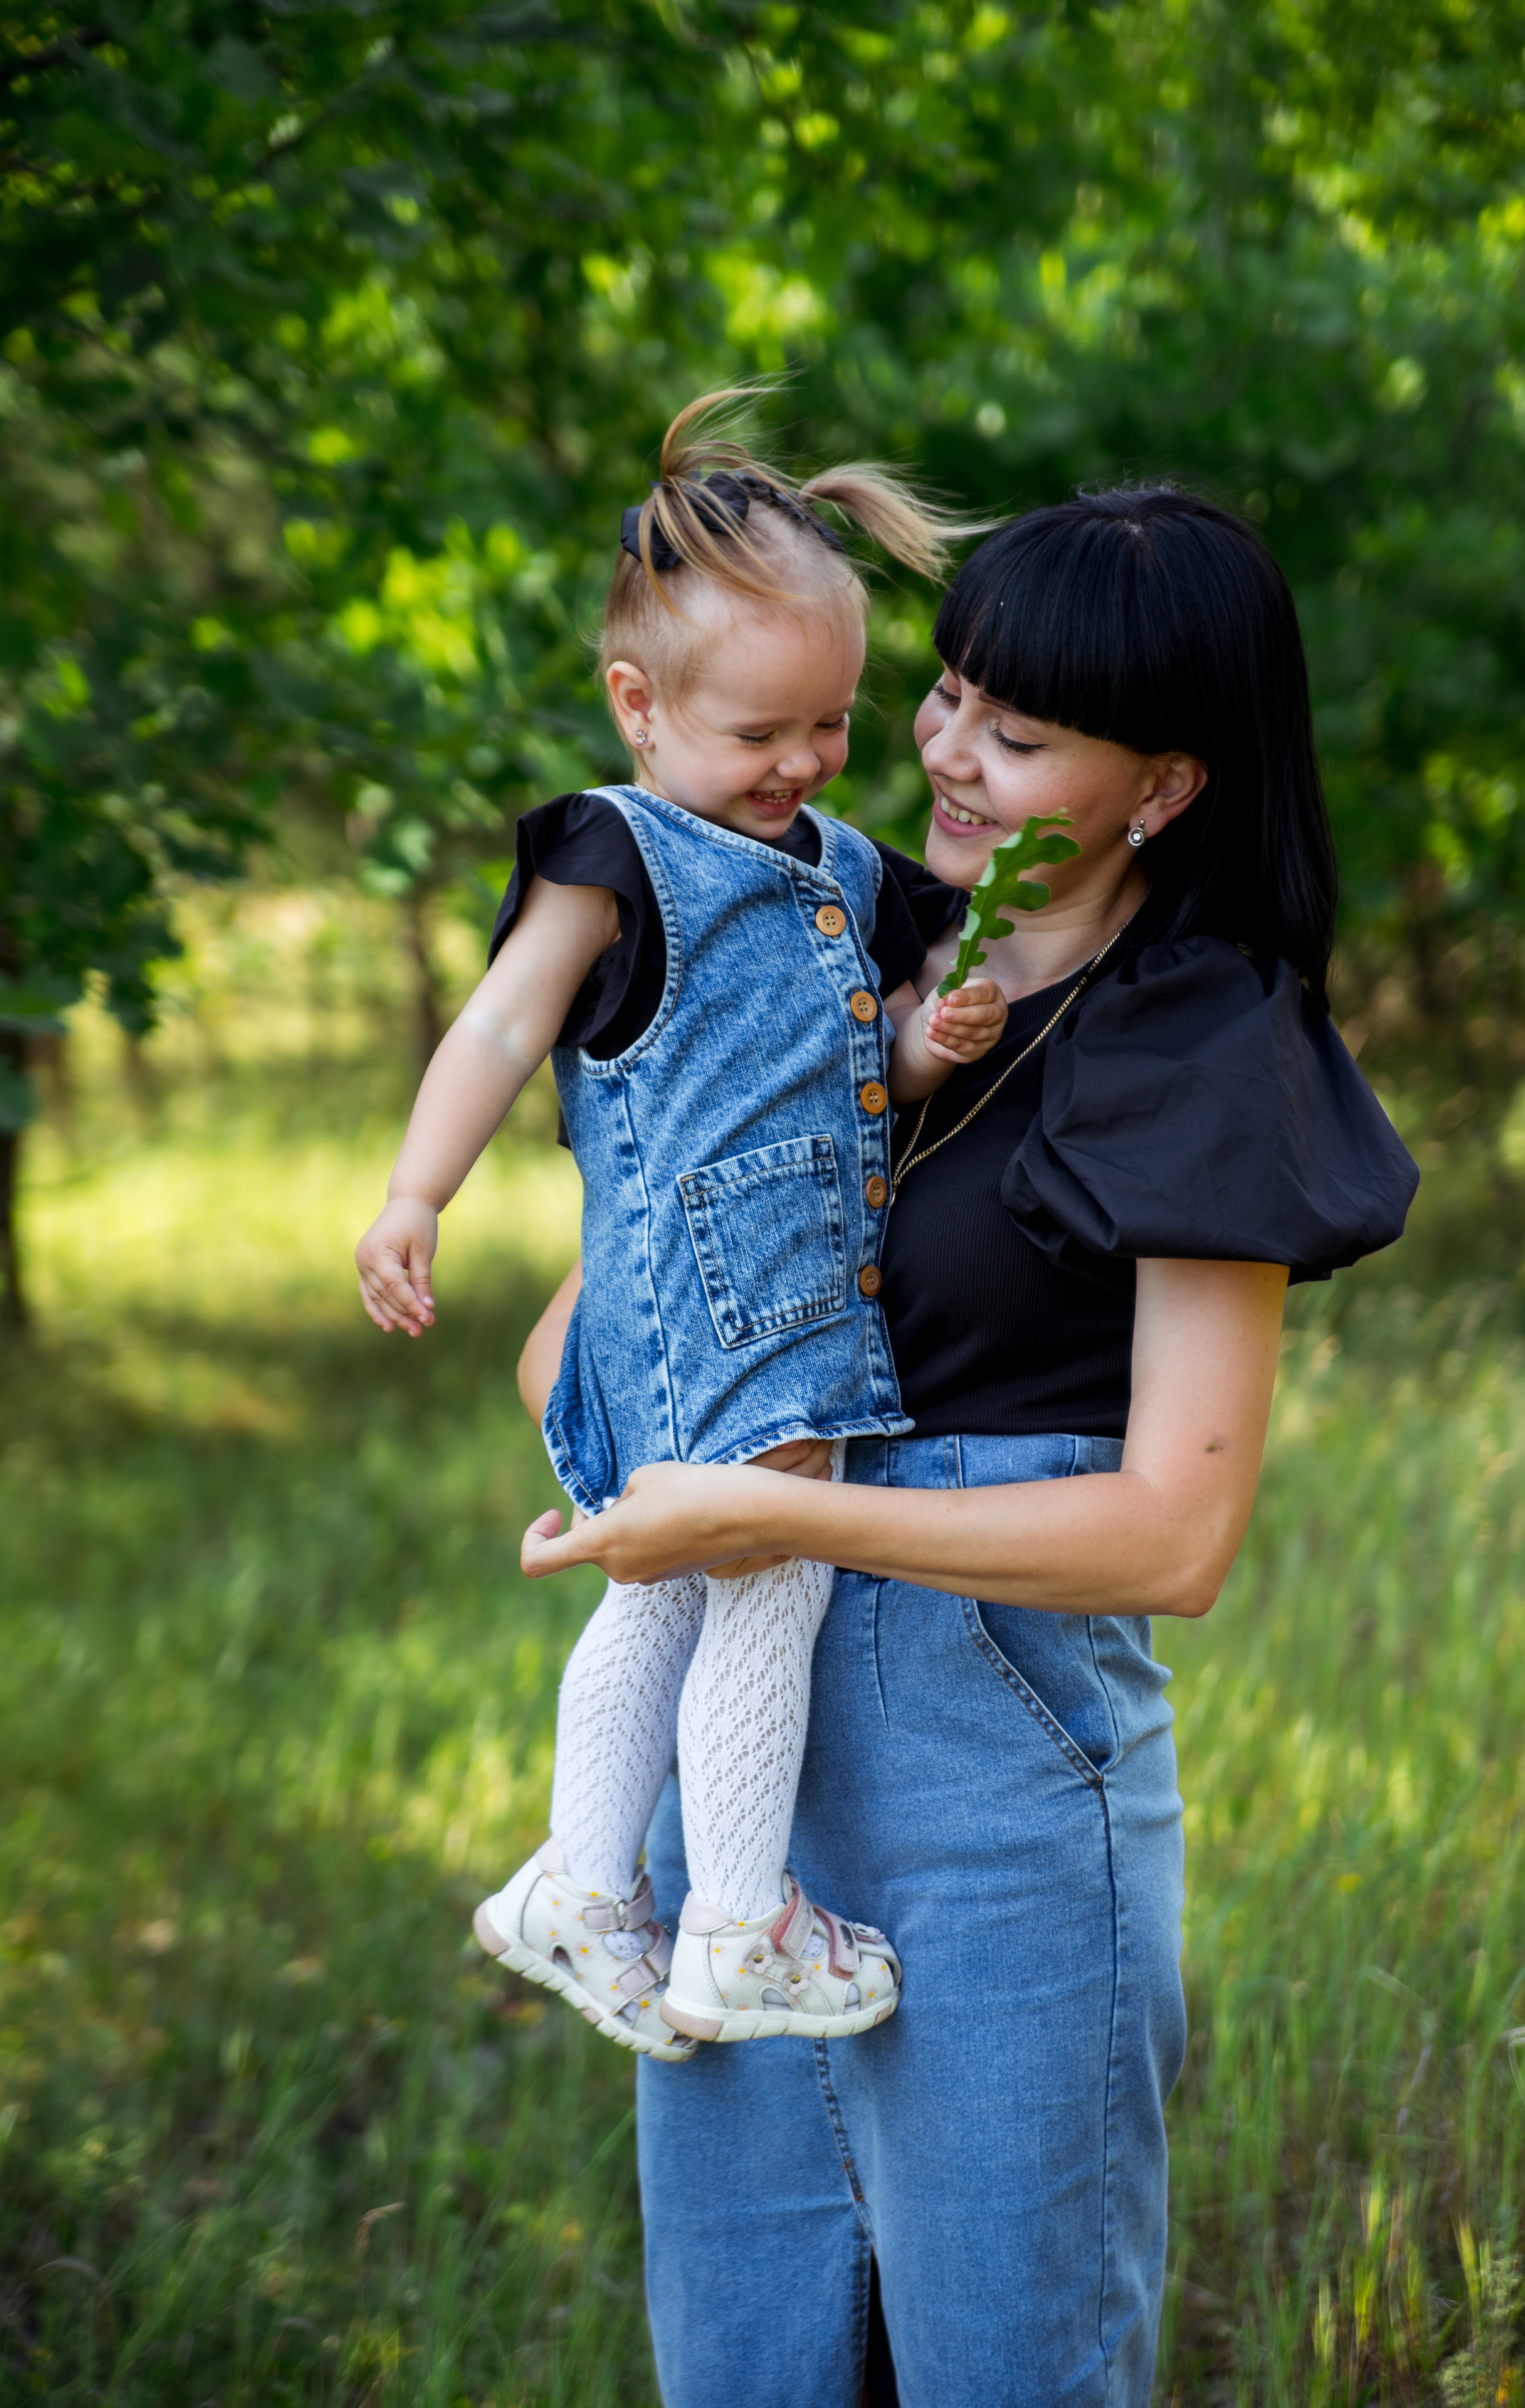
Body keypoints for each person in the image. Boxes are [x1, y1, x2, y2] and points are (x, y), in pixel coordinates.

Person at [519, 488, 1420, 2407]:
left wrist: (755, 1501)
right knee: (753, 2363)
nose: (937, 749)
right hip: (738, 1801)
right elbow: (571, 1341)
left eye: (1015, 737)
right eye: (944, 697)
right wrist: (666, 1430)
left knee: (1007, 2367)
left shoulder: (1198, 1040)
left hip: (992, 1802)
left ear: (1160, 786)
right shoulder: (824, 935)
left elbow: (1175, 1532)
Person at [354, 392, 1005, 2065]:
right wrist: (418, 1193)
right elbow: (503, 1030)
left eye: (830, 729)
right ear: (638, 710)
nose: (799, 767)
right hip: (712, 1310)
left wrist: (933, 1041)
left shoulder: (846, 871)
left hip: (778, 1301)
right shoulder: (616, 853)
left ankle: (580, 1883)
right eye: (758, 733)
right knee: (773, 1583)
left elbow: (870, 1059)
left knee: (658, 1593)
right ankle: (737, 1920)